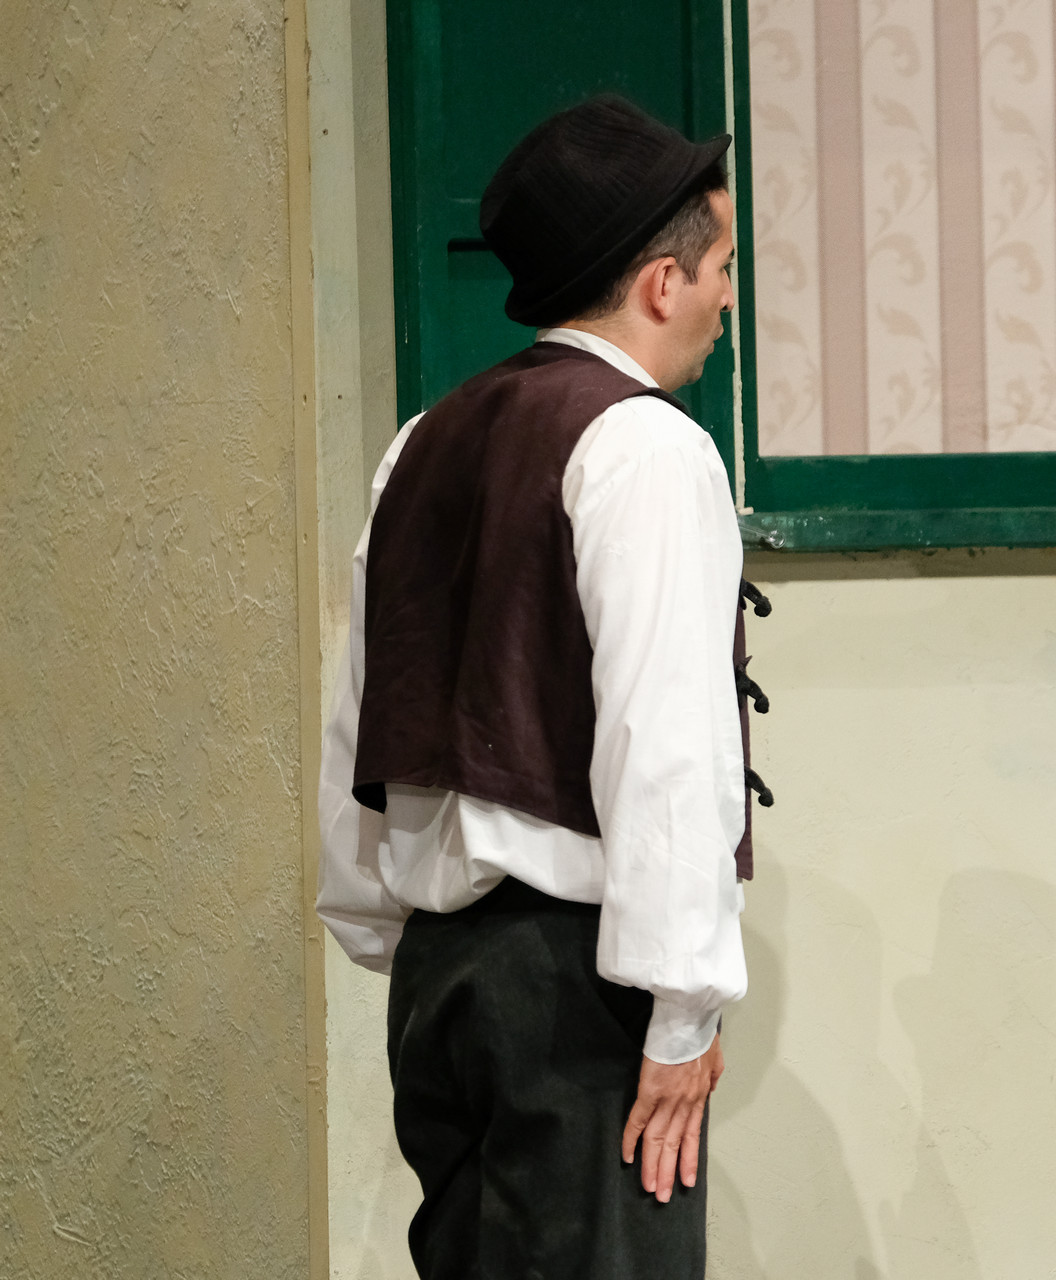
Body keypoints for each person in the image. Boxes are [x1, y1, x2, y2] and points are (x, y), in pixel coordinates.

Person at [316, 95, 770, 1279]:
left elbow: (360, 711)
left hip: (442, 983)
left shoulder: (420, 440)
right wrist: (683, 1006)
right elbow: (663, 738)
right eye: (723, 266)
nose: (729, 297)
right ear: (661, 283)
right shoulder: (648, 446)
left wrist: (393, 933)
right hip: (577, 987)